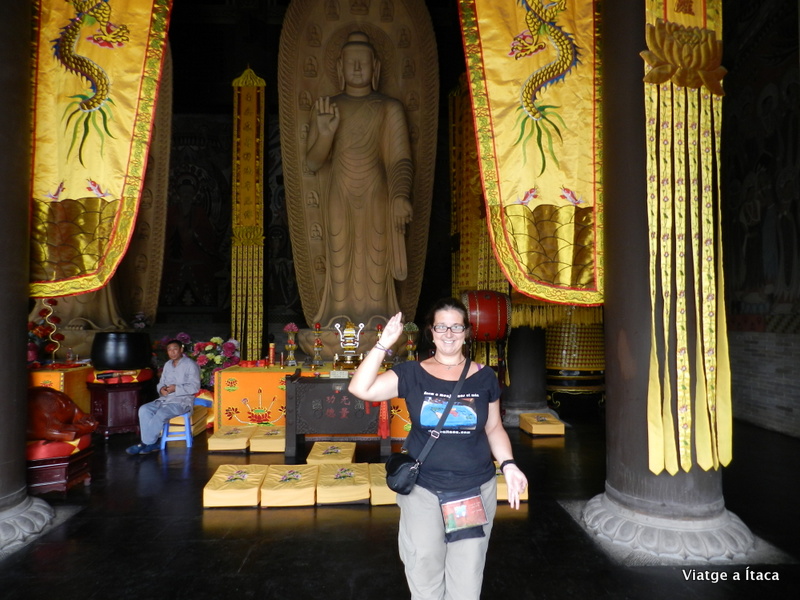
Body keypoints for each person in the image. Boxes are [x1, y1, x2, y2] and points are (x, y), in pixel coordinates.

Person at [348, 298, 528, 600]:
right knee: (424, 565)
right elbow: (360, 388)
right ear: (431, 332)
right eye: (441, 327)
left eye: (456, 327)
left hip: (472, 489)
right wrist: (383, 344)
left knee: (467, 574)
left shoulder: (484, 377)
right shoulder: (411, 374)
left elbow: (494, 427)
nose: (448, 334)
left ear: (466, 332)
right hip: (424, 489)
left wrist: (509, 465)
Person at [305, 31, 414, 326]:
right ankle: (338, 319)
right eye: (351, 62)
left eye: (363, 62)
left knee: (376, 257)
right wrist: (325, 133)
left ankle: (379, 320)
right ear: (339, 67)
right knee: (339, 257)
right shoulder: (327, 107)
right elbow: (313, 162)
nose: (356, 68)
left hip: (377, 192)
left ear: (375, 67)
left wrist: (400, 196)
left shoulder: (389, 107)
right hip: (339, 191)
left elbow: (400, 159)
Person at [126, 339, 201, 455]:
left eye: (175, 349)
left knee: (161, 413)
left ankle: (145, 443)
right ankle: (152, 443)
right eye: (169, 350)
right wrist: (161, 389)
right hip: (165, 400)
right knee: (144, 409)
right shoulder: (167, 365)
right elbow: (161, 383)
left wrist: (176, 388)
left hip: (181, 402)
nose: (172, 352)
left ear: (181, 350)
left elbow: (195, 387)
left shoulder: (190, 365)